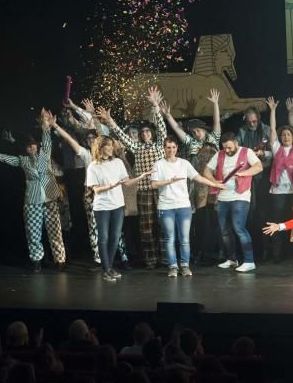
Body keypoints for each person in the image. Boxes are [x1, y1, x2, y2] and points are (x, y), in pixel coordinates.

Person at [0, 108, 67, 272]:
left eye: (33, 145)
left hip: (50, 198)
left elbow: (47, 140)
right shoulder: (22, 160)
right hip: (32, 200)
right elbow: (4, 158)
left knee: (55, 231)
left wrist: (46, 125)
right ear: (25, 149)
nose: (32, 148)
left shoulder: (45, 155)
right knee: (33, 233)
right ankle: (36, 260)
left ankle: (60, 260)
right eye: (29, 147)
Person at [50, 115, 132, 270]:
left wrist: (94, 115)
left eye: (93, 138)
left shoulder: (113, 158)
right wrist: (56, 127)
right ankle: (100, 261)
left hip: (114, 195)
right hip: (94, 196)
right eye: (88, 138)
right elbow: (70, 140)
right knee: (95, 230)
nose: (90, 140)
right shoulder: (87, 155)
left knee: (116, 231)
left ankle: (123, 257)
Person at [96, 86, 166, 269]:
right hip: (143, 190)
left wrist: (156, 107)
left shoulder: (160, 146)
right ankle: (151, 260)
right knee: (146, 227)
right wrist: (110, 121)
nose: (144, 134)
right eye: (142, 133)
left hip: (159, 189)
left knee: (164, 225)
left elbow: (162, 128)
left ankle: (166, 258)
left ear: (152, 132)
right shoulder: (137, 148)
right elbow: (121, 135)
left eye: (147, 131)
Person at [150, 136, 225, 278]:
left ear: (177, 148)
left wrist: (215, 184)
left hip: (183, 206)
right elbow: (153, 184)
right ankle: (173, 266)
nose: (171, 150)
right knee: (170, 238)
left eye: (173, 147)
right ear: (164, 148)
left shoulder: (184, 163)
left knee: (184, 239)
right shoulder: (158, 164)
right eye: (168, 147)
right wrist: (168, 181)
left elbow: (198, 177)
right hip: (166, 207)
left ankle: (184, 265)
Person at [84, 135, 149, 282]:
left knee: (115, 237)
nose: (111, 148)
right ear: (100, 148)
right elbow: (96, 190)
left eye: (112, 145)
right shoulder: (93, 166)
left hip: (118, 205)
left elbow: (127, 182)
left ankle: (110, 267)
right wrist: (111, 186)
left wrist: (142, 176)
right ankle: (106, 270)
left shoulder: (118, 162)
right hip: (102, 207)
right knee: (104, 238)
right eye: (108, 145)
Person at [204, 132, 263, 272]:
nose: (227, 150)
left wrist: (243, 174)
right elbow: (206, 171)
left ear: (236, 143)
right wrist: (214, 182)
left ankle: (249, 261)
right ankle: (232, 259)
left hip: (240, 196)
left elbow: (258, 167)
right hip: (223, 197)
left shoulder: (246, 152)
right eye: (225, 148)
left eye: (230, 147)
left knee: (239, 228)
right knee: (224, 231)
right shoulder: (219, 154)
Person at [265, 96, 293, 262]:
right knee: (278, 222)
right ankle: (277, 254)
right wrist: (272, 110)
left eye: (289, 134)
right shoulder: (276, 148)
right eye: (284, 135)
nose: (286, 136)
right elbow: (272, 130)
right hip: (278, 192)